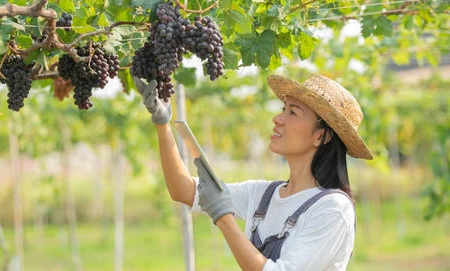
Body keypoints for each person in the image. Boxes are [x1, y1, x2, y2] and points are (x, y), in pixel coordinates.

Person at [133, 74, 373, 271]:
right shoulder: (263, 195)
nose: (277, 119)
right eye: (283, 109)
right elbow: (183, 190)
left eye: (293, 113)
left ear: (321, 136)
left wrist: (223, 216)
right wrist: (162, 122)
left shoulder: (332, 209)